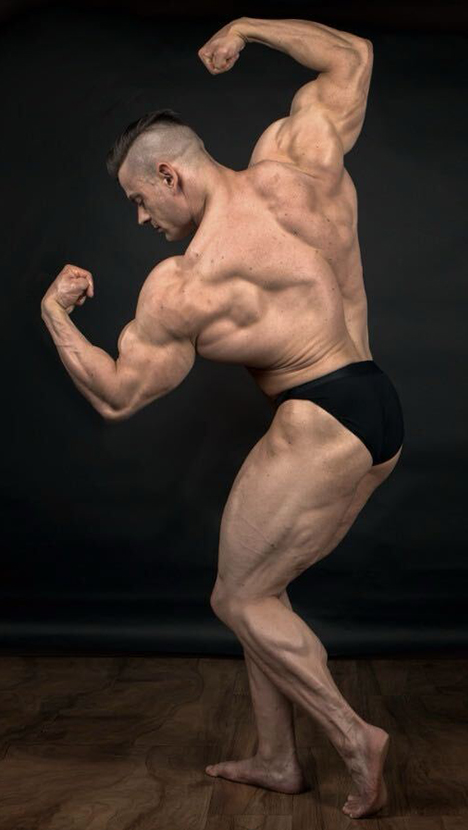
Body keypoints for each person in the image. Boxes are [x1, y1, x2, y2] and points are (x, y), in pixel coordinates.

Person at [41, 15, 404, 819]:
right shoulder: (297, 160)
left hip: (319, 420)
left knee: (240, 600)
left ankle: (355, 738)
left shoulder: (187, 283)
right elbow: (353, 57)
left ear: (169, 175)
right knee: (257, 585)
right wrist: (247, 27)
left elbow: (118, 394)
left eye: (140, 201)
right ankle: (277, 757)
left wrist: (54, 315)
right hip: (376, 403)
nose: (142, 221)